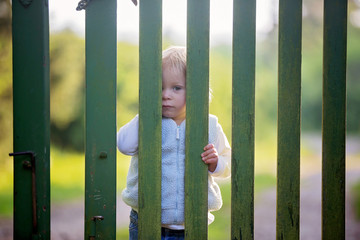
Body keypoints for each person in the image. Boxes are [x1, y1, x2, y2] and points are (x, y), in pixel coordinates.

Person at [117, 46, 231, 240]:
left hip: (192, 224)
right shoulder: (148, 121)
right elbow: (124, 145)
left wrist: (216, 163)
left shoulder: (209, 125)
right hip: (145, 220)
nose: (165, 95)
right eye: (159, 87)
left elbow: (228, 164)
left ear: (195, 89)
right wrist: (144, 114)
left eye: (176, 88)